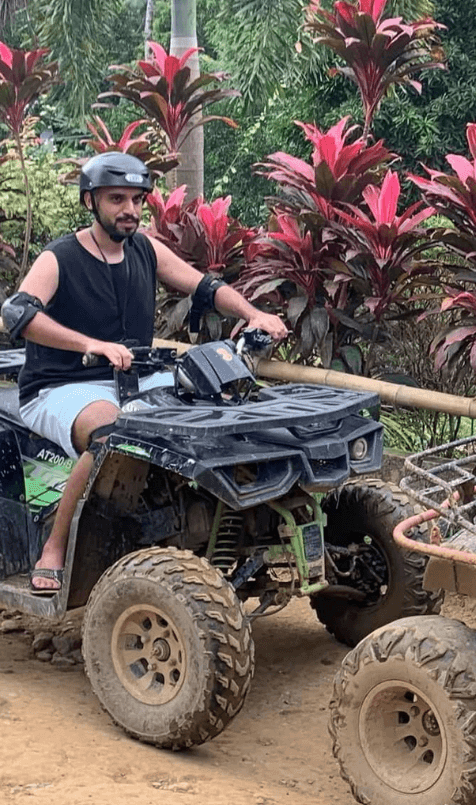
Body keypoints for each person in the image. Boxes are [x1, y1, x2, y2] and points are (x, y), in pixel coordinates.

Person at [0, 152, 288, 595]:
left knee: (224, 407)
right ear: (90, 201)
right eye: (117, 199)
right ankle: (55, 548)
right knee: (110, 435)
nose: (130, 210)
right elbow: (16, 314)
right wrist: (88, 344)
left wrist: (254, 314)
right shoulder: (58, 258)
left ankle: (218, 529)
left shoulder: (146, 249)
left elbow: (204, 286)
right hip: (60, 386)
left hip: (134, 379)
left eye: (137, 199)